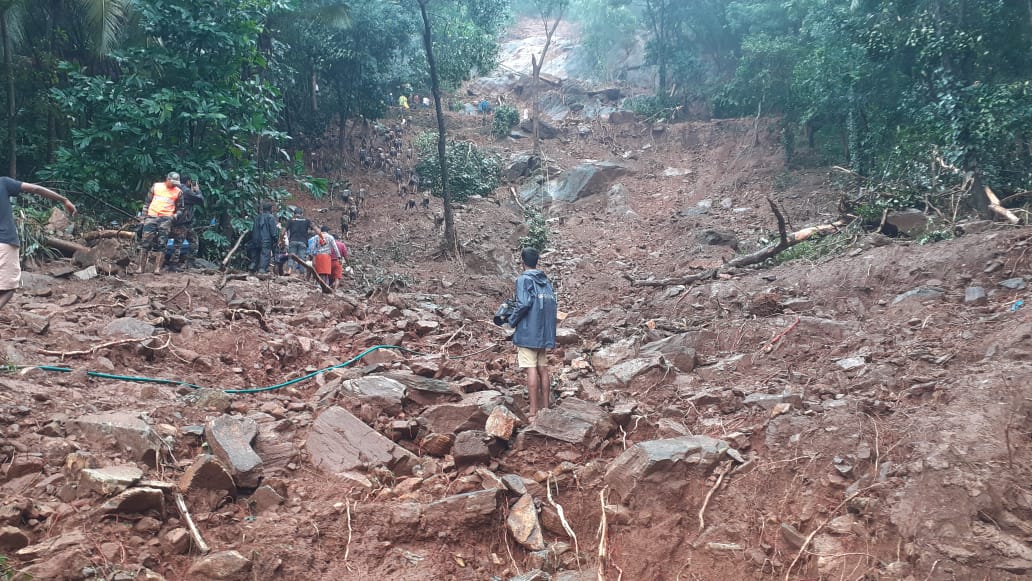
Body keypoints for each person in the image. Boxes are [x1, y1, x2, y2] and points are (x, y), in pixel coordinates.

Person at [0, 178, 76, 311]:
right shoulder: (3, 182)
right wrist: (64, 199)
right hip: (5, 242)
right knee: (9, 288)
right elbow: (35, 189)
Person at [508, 247, 558, 418]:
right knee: (542, 368)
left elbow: (523, 303)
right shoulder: (545, 281)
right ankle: (546, 408)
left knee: (530, 368)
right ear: (537, 260)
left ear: (522, 262)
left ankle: (532, 411)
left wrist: (511, 321)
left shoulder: (523, 279)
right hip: (543, 332)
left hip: (529, 332)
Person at [139, 172, 183, 274]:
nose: (174, 184)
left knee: (162, 243)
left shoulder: (178, 192)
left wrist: (173, 217)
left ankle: (157, 268)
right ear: (167, 179)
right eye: (172, 182)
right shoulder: (156, 186)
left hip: (166, 219)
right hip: (151, 216)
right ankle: (140, 268)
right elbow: (147, 202)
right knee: (145, 241)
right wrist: (143, 217)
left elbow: (181, 208)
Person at [165, 176, 204, 271]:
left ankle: (190, 262)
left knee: (193, 239)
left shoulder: (175, 189)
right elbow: (200, 200)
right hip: (181, 221)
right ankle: (173, 264)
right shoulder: (185, 190)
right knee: (178, 243)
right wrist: (197, 190)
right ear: (188, 182)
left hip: (179, 220)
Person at [248, 202, 278, 274]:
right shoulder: (270, 217)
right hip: (266, 239)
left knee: (256, 253)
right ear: (270, 209)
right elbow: (273, 231)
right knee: (265, 254)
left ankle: (252, 267)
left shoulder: (257, 217)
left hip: (255, 238)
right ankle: (262, 269)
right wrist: (275, 238)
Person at [284, 207, 313, 275]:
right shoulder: (307, 220)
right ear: (302, 214)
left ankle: (289, 270)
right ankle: (302, 273)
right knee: (302, 257)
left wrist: (280, 239)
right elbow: (314, 228)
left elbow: (283, 231)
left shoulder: (290, 220)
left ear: (294, 214)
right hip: (303, 242)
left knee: (291, 256)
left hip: (293, 241)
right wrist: (322, 236)